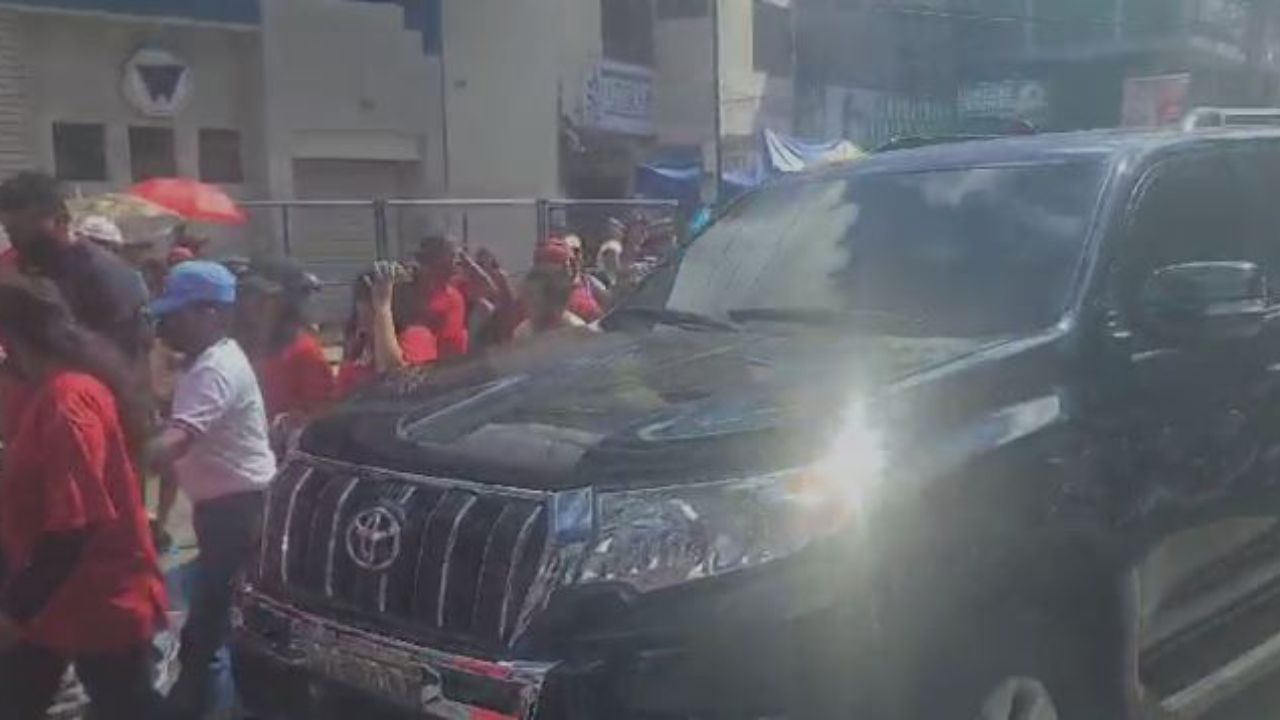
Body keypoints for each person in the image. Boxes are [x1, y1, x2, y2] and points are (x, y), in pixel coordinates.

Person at [0, 276, 167, 720]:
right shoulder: (49, 393)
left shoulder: (69, 401)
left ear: (11, 343)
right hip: (61, 600)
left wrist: (16, 610)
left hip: (97, 599)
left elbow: (77, 522)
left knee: (128, 705)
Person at [146, 261, 276, 720]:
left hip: (237, 511)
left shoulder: (215, 368)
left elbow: (177, 440)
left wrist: (112, 463)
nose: (165, 324)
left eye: (176, 314)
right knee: (208, 621)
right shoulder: (205, 361)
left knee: (208, 627)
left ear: (214, 315)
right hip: (223, 509)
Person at [0, 172, 151, 364]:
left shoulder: (106, 278)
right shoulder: (31, 268)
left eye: (22, 231)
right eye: (10, 232)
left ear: (60, 220)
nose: (16, 242)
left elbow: (123, 364)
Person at [236, 257, 334, 437]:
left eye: (267, 299)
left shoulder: (303, 351)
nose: (253, 304)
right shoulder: (237, 346)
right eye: (250, 295)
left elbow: (322, 414)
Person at [338, 262, 438, 398]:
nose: (361, 311)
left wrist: (383, 309)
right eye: (360, 301)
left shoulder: (417, 336)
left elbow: (393, 378)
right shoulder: (359, 345)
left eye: (369, 302)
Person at [414, 235, 469, 357]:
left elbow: (449, 349)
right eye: (452, 256)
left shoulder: (453, 299)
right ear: (433, 260)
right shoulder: (403, 293)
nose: (457, 262)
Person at [512, 265, 591, 340]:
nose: (524, 302)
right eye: (524, 296)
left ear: (551, 300)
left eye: (531, 296)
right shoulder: (523, 332)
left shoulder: (575, 329)